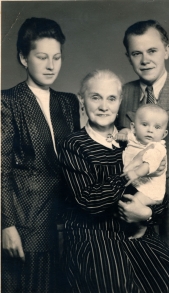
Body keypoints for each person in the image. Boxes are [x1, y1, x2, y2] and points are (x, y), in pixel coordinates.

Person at [58, 69, 169, 293]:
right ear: (82, 100)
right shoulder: (74, 144)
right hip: (94, 237)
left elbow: (158, 194)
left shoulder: (136, 138)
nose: (103, 106)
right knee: (119, 286)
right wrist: (128, 174)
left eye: (111, 98)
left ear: (119, 102)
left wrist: (145, 214)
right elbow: (89, 201)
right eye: (95, 97)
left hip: (134, 230)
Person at [117, 19, 169, 293]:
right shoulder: (123, 95)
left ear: (167, 50)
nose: (145, 59)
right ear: (128, 57)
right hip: (137, 228)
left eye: (152, 51)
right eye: (136, 53)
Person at [1, 17, 80, 293]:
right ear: (24, 58)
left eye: (57, 57)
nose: (51, 66)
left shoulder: (68, 102)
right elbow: (1, 170)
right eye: (42, 57)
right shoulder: (7, 101)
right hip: (25, 222)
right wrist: (6, 226)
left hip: (65, 222)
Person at [116, 104, 168, 238]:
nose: (150, 130)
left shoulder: (156, 148)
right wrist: (122, 132)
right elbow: (121, 135)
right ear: (134, 127)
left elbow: (148, 165)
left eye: (157, 127)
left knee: (135, 204)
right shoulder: (134, 138)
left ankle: (141, 228)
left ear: (164, 133)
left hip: (151, 190)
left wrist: (135, 173)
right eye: (145, 125)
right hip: (138, 185)